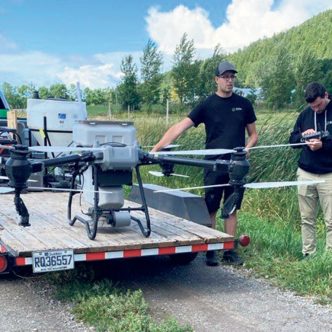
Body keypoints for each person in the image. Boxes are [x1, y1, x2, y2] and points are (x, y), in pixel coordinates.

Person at [151, 61, 258, 266]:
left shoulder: (244, 104)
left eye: (232, 77)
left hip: (236, 165)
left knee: (232, 207)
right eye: (225, 77)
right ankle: (211, 248)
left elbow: (253, 135)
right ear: (216, 79)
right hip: (213, 165)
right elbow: (180, 127)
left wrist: (247, 148)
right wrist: (156, 149)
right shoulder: (207, 104)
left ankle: (229, 249)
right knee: (211, 206)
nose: (229, 80)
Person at [289, 82, 332, 258]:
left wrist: (323, 145)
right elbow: (292, 140)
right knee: (307, 218)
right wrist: (304, 138)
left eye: (319, 105)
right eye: (312, 106)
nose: (316, 109)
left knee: (331, 220)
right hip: (306, 173)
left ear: (326, 95)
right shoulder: (305, 115)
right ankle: (308, 254)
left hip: (329, 174)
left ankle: (329, 258)